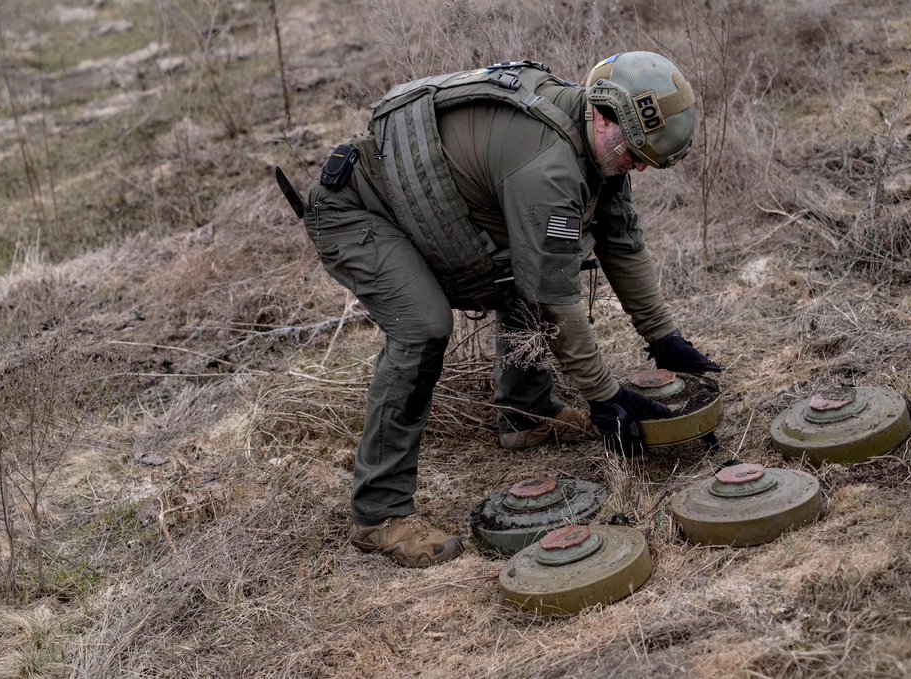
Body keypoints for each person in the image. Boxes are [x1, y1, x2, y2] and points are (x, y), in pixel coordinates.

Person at [295, 52, 720, 568]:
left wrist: (662, 337)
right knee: (423, 327)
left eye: (647, 160)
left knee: (533, 264)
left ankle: (527, 414)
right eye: (634, 154)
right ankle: (378, 515)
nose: (637, 167)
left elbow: (621, 241)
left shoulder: (597, 140)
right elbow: (554, 299)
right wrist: (605, 397)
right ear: (603, 116)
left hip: (431, 214)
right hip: (354, 214)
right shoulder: (549, 167)